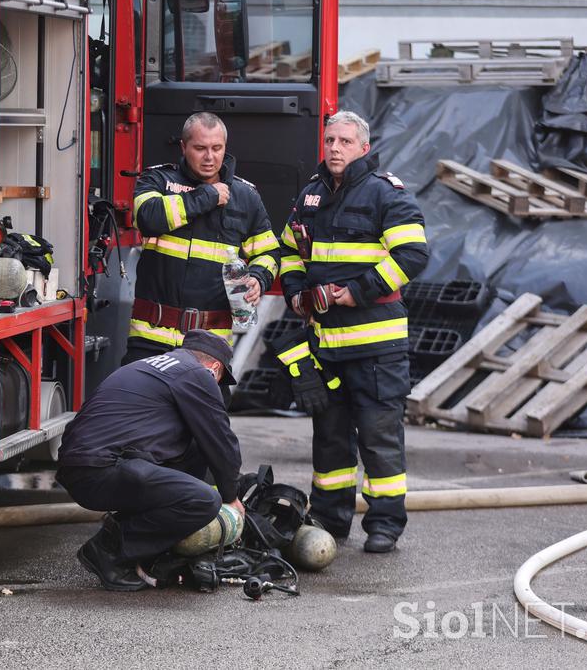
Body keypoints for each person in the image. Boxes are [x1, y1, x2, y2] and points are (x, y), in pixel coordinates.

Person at [275, 111, 429, 554]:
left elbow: (413, 255)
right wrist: (295, 293)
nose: (335, 148)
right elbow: (288, 250)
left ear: (364, 147)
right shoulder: (310, 196)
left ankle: (384, 525)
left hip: (376, 347)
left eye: (345, 141)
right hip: (326, 347)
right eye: (330, 140)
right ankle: (329, 518)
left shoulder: (386, 195)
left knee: (380, 441)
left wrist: (355, 293)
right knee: (329, 438)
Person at [56, 330, 246, 591]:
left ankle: (144, 546)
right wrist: (230, 495)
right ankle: (108, 550)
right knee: (204, 501)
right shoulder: (197, 374)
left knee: (194, 447)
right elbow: (221, 439)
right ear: (215, 368)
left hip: (83, 466)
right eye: (221, 379)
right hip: (99, 470)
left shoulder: (157, 366)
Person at [124, 112, 278, 364]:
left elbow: (269, 252)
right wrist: (207, 197)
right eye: (200, 148)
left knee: (209, 405)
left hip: (210, 343)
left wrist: (258, 278)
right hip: (150, 339)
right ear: (184, 147)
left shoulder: (246, 196)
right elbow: (147, 218)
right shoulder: (158, 180)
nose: (210, 157)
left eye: (217, 148)